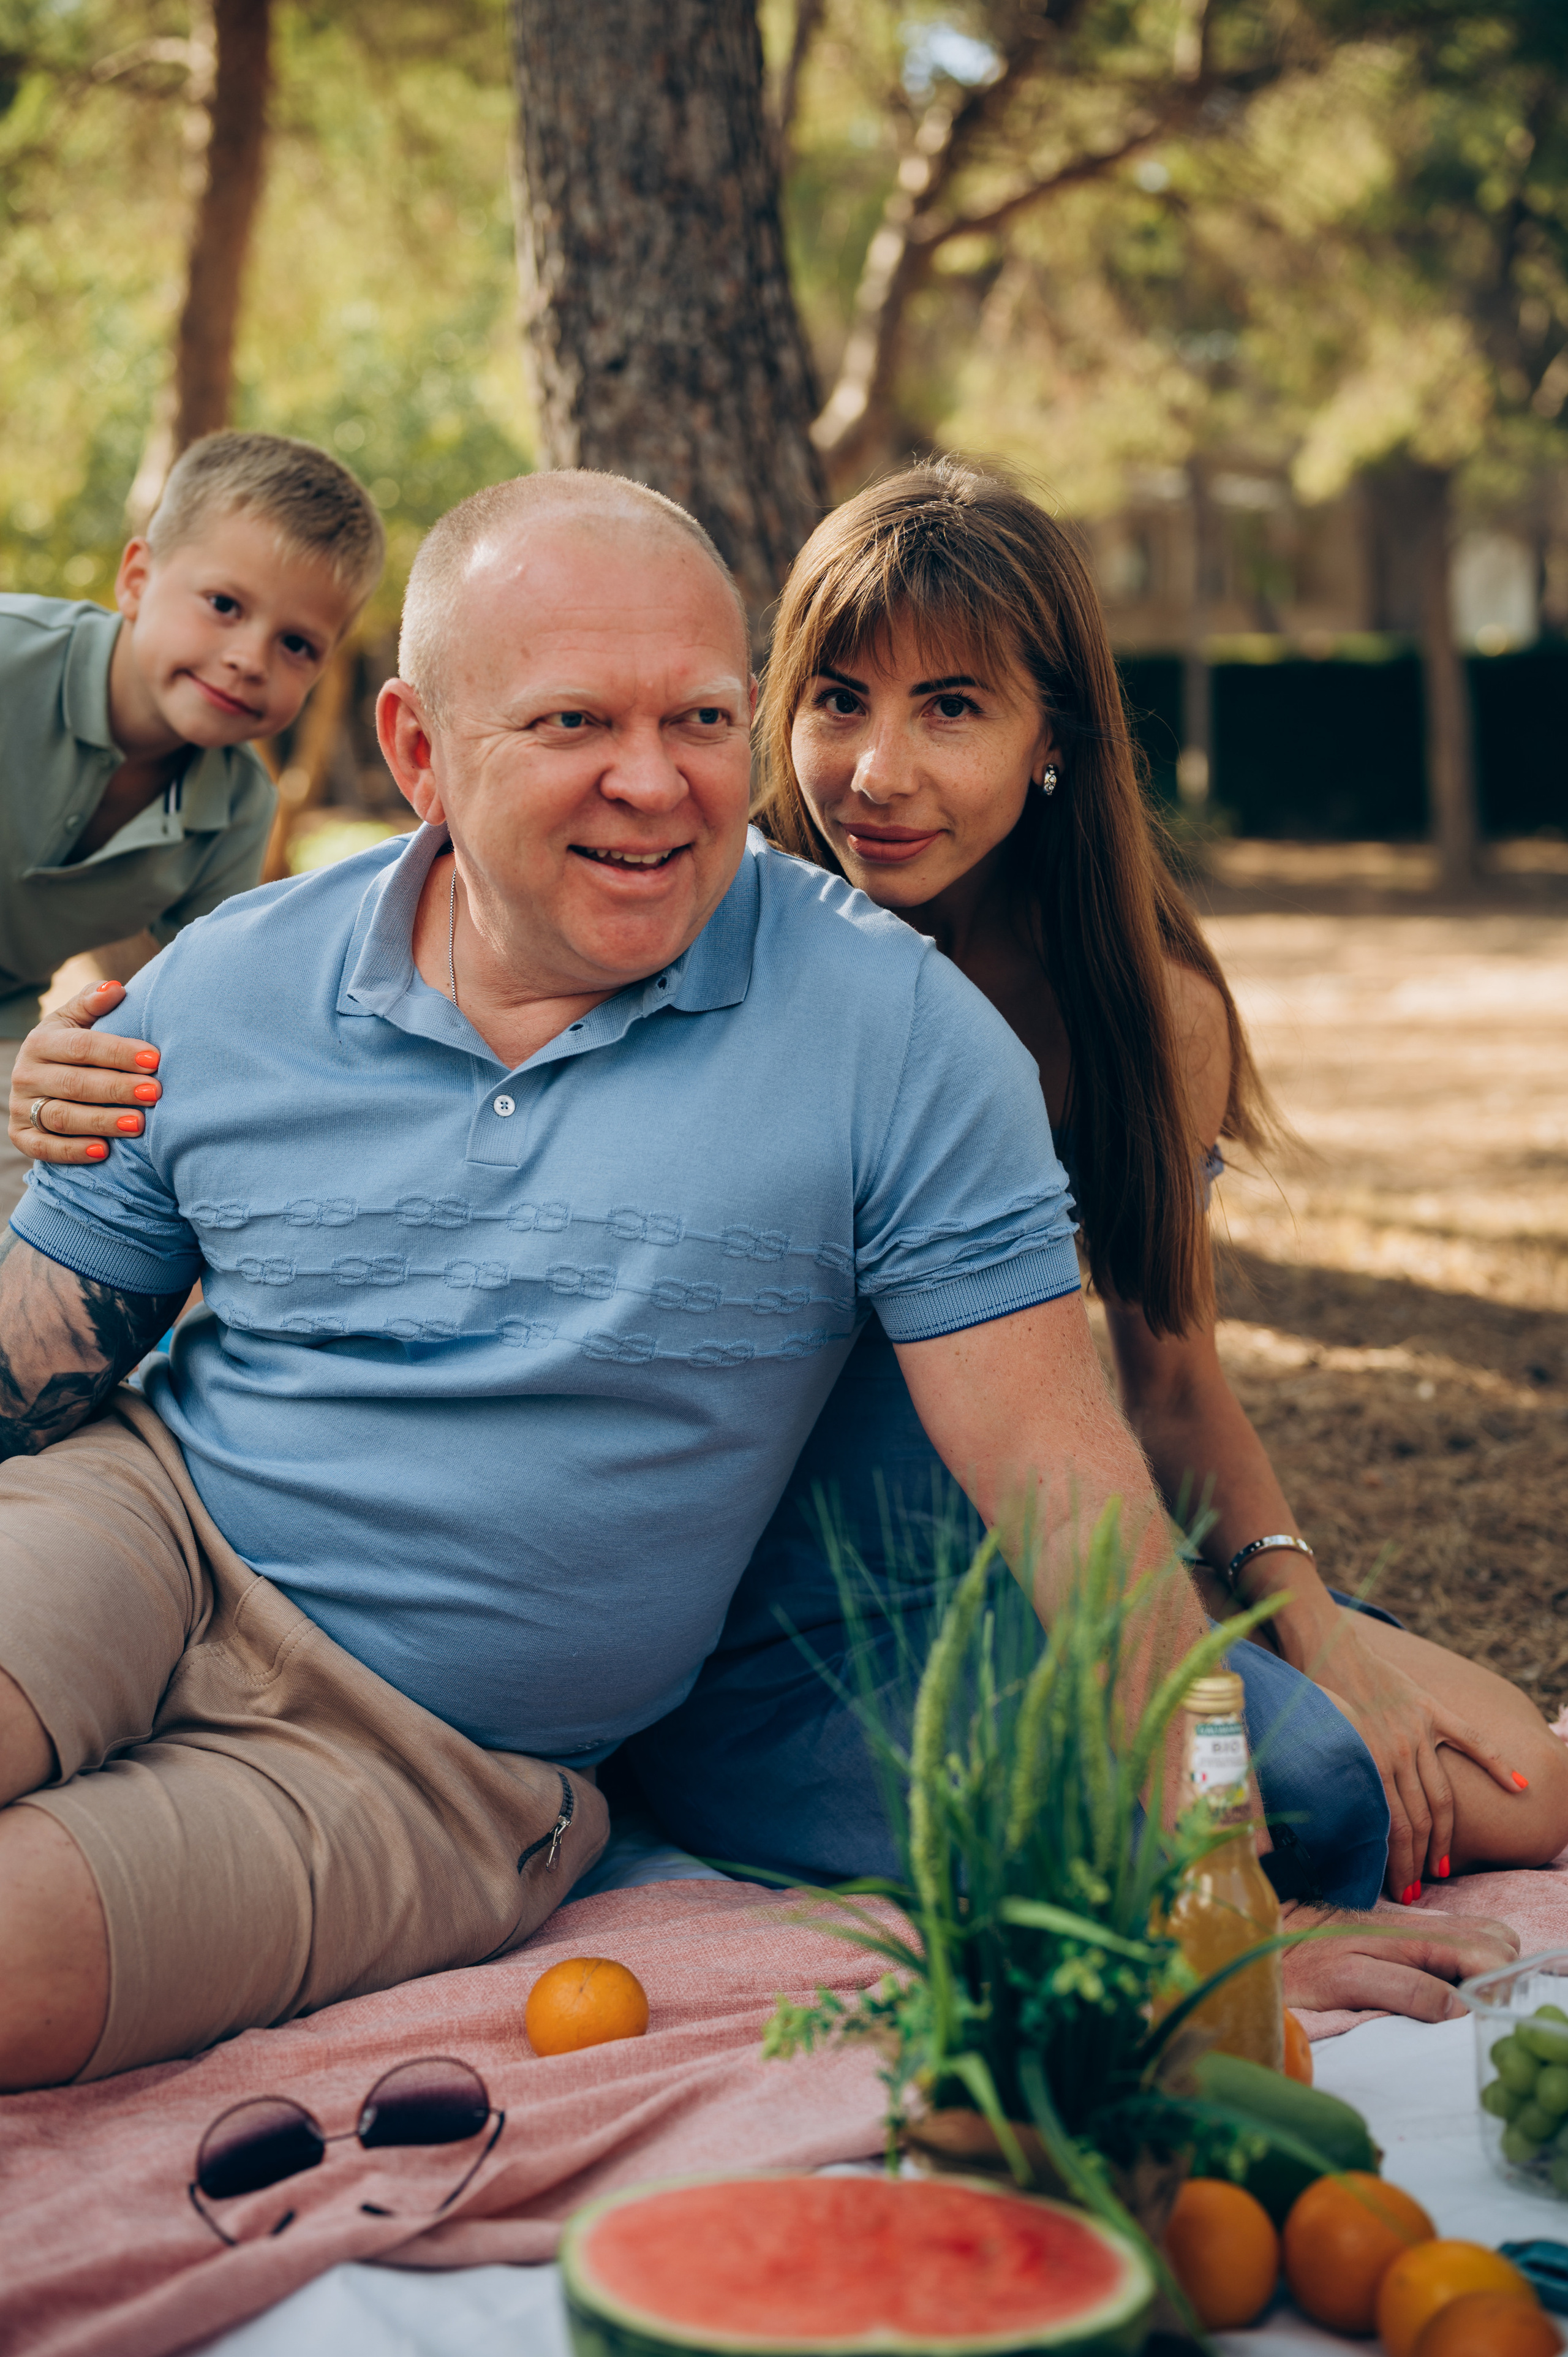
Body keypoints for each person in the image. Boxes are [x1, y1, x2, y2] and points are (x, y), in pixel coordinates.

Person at [0, 468, 1204, 2093]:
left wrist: (1221, 1856)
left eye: (702, 719)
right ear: (419, 749)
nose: (653, 784)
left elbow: (1075, 1484)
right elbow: (39, 1351)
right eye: (573, 722)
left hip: (430, 1760)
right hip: (144, 1521)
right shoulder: (229, 979)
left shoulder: (900, 1039)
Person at [618, 461, 1565, 2019]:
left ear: (1051, 734)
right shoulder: (727, 941)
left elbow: (1171, 1388)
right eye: (838, 697)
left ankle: (1233, 1678)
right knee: (1322, 1802)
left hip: (1051, 1558)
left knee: (1512, 1784)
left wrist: (1310, 1622)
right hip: (789, 1626)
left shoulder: (1142, 1009)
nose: (876, 768)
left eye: (950, 708)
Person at [0, 429, 385, 1218]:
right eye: (225, 606)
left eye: (296, 645)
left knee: (54, 1210)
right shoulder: (12, 661)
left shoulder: (239, 808)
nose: (251, 658)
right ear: (137, 579)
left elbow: (191, 1013)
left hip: (8, 1041)